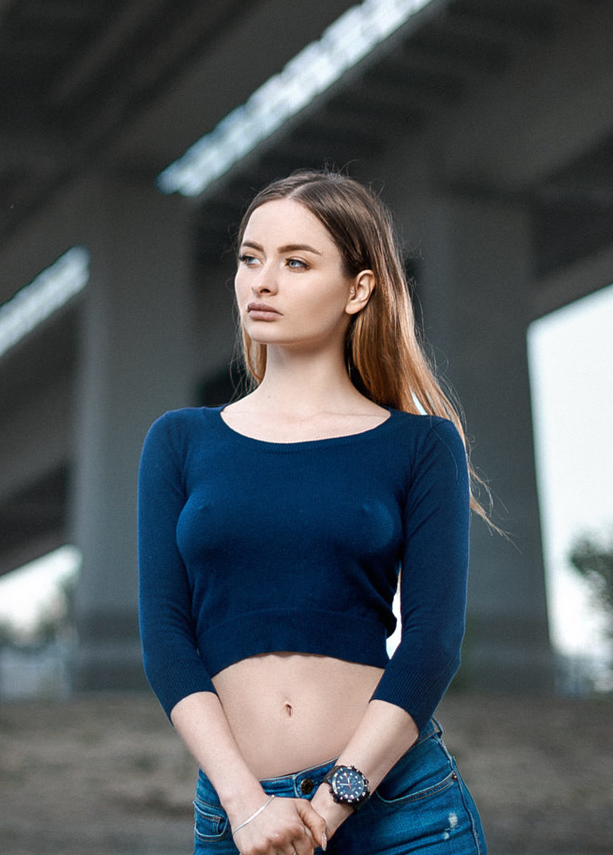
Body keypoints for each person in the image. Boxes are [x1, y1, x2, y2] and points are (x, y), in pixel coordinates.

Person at [138, 169, 488, 854]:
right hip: (242, 822)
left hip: (399, 812)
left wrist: (330, 808)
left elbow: (431, 644)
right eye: (250, 258)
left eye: (295, 262)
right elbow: (167, 642)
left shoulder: (420, 445)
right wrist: (247, 808)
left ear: (359, 288)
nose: (262, 281)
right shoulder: (181, 442)